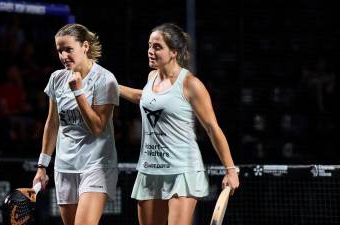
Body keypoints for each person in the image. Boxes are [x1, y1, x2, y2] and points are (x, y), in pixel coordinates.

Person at [119, 23, 240, 225]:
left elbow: (212, 127)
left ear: (174, 52)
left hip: (182, 170)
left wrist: (230, 170)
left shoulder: (190, 84)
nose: (150, 51)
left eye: (157, 47)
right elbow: (144, 97)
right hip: (150, 169)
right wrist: (112, 85)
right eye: (149, 45)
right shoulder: (152, 77)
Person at [32, 23, 119, 225]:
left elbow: (98, 127)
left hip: (97, 166)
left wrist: (78, 92)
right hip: (64, 167)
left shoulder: (105, 79)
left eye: (68, 49)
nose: (63, 56)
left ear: (85, 46)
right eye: (59, 51)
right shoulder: (56, 78)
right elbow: (52, 124)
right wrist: (42, 167)